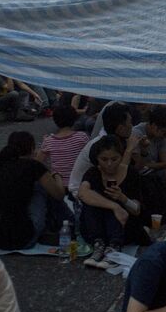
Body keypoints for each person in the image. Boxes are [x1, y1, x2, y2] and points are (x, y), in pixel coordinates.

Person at [0, 131, 72, 251]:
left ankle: (62, 224)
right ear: (32, 148)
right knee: (40, 186)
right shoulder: (33, 166)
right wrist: (57, 175)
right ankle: (70, 223)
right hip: (24, 239)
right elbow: (58, 195)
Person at [78, 135, 150, 269]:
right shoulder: (93, 173)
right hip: (98, 226)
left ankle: (114, 248)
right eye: (104, 159)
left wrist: (122, 198)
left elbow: (136, 209)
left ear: (121, 157)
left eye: (114, 159)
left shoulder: (131, 174)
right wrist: (115, 206)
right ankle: (98, 245)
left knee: (110, 202)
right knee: (95, 200)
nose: (109, 164)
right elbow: (83, 193)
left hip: (124, 227)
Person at [67, 103, 132, 196]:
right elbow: (113, 176)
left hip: (100, 187)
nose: (132, 126)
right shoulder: (101, 146)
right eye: (130, 123)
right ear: (121, 128)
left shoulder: (117, 140)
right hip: (81, 192)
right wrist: (130, 149)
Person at [38, 104, 89, 187]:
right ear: (74, 119)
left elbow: (37, 162)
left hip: (59, 185)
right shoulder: (82, 137)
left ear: (55, 120)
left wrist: (44, 143)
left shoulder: (49, 141)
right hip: (78, 182)